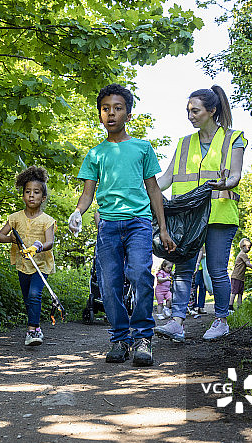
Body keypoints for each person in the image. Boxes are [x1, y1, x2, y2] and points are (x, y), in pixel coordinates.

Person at [68, 83, 175, 366]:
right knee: (108, 283)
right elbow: (88, 193)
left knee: (140, 273)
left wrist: (162, 228)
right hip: (108, 226)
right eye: (106, 109)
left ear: (128, 114)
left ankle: (142, 337)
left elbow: (154, 190)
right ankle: (119, 338)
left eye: (118, 108)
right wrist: (78, 212)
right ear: (100, 115)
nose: (111, 113)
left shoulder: (142, 147)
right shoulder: (95, 154)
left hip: (139, 222)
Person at [154, 85, 248, 342]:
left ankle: (220, 320)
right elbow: (166, 179)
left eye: (195, 111)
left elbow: (236, 175)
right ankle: (176, 322)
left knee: (217, 269)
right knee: (183, 268)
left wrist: (226, 183)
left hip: (220, 213)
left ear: (212, 111)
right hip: (188, 219)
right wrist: (143, 190)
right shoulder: (185, 143)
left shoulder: (233, 138)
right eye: (188, 111)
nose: (190, 116)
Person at [0, 166, 56, 347]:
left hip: (40, 265)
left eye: (36, 192)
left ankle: (33, 330)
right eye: (28, 192)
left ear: (43, 197)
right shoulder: (15, 218)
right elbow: (0, 237)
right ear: (23, 195)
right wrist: (12, 239)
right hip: (23, 265)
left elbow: (49, 243)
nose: (31, 195)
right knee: (27, 298)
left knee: (35, 294)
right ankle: (35, 324)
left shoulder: (47, 220)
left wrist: (37, 247)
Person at [230, 238, 252, 311]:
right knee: (234, 292)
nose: (249, 249)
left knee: (240, 293)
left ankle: (239, 307)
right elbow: (248, 264)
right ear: (243, 246)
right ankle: (230, 307)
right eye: (248, 247)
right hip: (236, 276)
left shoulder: (242, 254)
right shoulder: (243, 255)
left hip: (240, 277)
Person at [188, 246, 207, 317]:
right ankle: (193, 306)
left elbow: (202, 251)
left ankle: (201, 306)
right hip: (194, 267)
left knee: (202, 287)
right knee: (194, 286)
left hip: (203, 268)